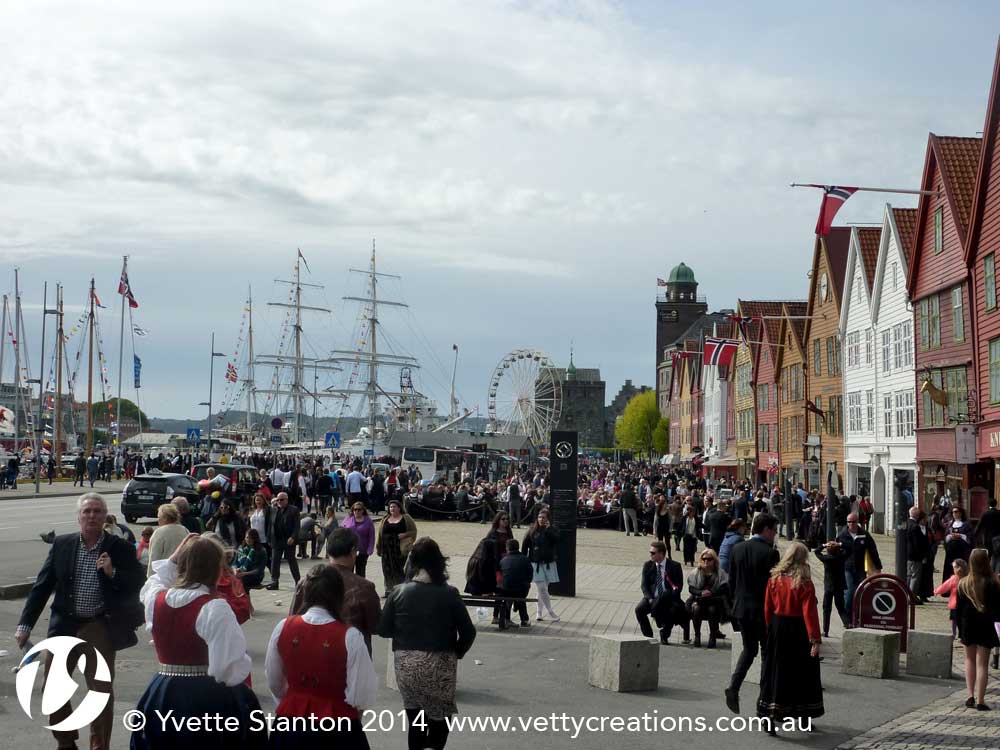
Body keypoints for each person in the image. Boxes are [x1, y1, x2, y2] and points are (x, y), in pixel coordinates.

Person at [16, 492, 145, 750]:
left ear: (104, 516)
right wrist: (25, 625)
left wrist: (113, 572)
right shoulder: (63, 545)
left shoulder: (118, 548)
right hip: (65, 623)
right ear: (78, 517)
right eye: (87, 511)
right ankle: (66, 742)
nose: (92, 516)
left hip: (98, 624)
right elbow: (42, 586)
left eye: (97, 511)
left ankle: (99, 746)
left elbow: (137, 583)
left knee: (100, 691)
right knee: (53, 688)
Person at [133, 534, 265, 750]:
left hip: (162, 691)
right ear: (215, 568)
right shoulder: (215, 607)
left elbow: (154, 581)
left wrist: (173, 559)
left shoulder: (156, 598)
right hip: (204, 696)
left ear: (182, 565)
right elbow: (228, 668)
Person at [378, 537, 477, 750]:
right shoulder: (449, 593)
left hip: (405, 662)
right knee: (441, 717)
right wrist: (457, 652)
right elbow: (468, 632)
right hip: (440, 660)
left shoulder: (398, 591)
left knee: (416, 718)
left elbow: (383, 629)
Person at [266, 563, 377, 749]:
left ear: (307, 593)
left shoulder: (283, 627)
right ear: (338, 595)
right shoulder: (350, 636)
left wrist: (295, 699)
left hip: (291, 723)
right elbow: (360, 695)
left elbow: (274, 681)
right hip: (337, 725)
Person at [756, 541, 824, 731]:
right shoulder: (804, 583)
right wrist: (815, 639)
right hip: (798, 629)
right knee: (803, 674)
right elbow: (809, 613)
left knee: (775, 672)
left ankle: (770, 714)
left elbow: (767, 609)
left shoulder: (774, 579)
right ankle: (804, 716)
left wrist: (770, 629)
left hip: (778, 627)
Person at [289, 528, 382, 654]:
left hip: (310, 653)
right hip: (350, 656)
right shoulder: (364, 587)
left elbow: (293, 618)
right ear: (353, 551)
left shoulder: (305, 581)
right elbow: (376, 626)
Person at [725, 512, 780, 715]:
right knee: (767, 654)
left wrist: (734, 604)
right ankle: (764, 702)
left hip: (741, 609)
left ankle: (734, 687)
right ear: (765, 530)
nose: (775, 534)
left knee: (749, 650)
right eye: (774, 531)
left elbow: (731, 582)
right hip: (763, 611)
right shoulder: (770, 553)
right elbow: (774, 587)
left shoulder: (737, 549)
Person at [955, 548, 1000, 710]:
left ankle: (970, 696)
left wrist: (959, 628)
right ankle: (981, 700)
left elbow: (957, 611)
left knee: (969, 660)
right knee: (983, 664)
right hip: (986, 625)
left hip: (968, 625)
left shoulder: (963, 584)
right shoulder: (993, 582)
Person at [636, 540, 688, 645]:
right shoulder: (648, 565)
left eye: (653, 553)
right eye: (650, 552)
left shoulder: (675, 566)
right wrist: (650, 598)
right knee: (639, 609)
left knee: (672, 610)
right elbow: (644, 585)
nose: (650, 555)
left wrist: (667, 596)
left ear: (661, 553)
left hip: (669, 598)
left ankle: (664, 634)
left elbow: (678, 587)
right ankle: (648, 636)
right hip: (652, 598)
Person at [837, 513, 882, 620]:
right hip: (847, 568)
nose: (851, 524)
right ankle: (847, 617)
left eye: (853, 522)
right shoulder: (842, 535)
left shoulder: (864, 534)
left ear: (857, 522)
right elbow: (836, 551)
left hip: (860, 568)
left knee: (860, 592)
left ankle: (857, 616)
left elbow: (873, 551)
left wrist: (878, 566)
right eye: (849, 522)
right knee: (850, 592)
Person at [522, 506, 560, 622]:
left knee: (542, 590)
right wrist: (524, 561)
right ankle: (550, 611)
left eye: (543, 517)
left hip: (548, 563)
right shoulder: (532, 530)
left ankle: (539, 612)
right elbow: (525, 546)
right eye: (539, 517)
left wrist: (548, 530)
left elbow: (557, 540)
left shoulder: (552, 529)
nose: (541, 519)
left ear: (548, 519)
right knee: (542, 588)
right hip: (535, 563)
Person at [686, 548, 729, 648]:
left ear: (714, 560)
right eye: (704, 559)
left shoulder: (720, 573)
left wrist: (711, 592)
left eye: (709, 559)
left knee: (712, 610)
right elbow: (691, 588)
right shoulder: (696, 572)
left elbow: (724, 588)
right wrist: (701, 593)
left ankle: (713, 636)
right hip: (699, 600)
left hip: (714, 600)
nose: (706, 561)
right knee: (696, 609)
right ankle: (697, 636)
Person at [376, 499, 418, 596]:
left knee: (400, 569)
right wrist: (378, 547)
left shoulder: (406, 518)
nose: (392, 508)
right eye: (391, 507)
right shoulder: (385, 519)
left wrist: (405, 535)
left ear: (399, 508)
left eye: (394, 506)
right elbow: (380, 534)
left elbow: (413, 531)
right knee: (387, 570)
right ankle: (389, 590)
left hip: (400, 549)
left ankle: (402, 590)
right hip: (387, 549)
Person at [814, 539, 850, 636]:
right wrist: (840, 544)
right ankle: (848, 624)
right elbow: (849, 549)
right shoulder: (841, 557)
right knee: (841, 608)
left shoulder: (826, 559)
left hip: (829, 587)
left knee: (827, 608)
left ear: (828, 550)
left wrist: (824, 545)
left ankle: (826, 631)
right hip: (839, 586)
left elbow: (816, 552)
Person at [266, 492, 301, 590]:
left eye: (282, 500)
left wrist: (293, 537)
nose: (279, 502)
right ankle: (274, 581)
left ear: (287, 500)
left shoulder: (293, 510)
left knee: (291, 561)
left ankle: (298, 582)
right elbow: (270, 525)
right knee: (275, 561)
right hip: (276, 539)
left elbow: (297, 526)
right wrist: (269, 538)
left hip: (288, 539)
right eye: (278, 500)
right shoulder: (273, 509)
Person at [497, 539, 533, 630]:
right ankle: (524, 619)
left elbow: (501, 574)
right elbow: (530, 575)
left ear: (507, 548)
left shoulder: (503, 560)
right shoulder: (525, 559)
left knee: (508, 598)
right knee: (521, 597)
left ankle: (507, 618)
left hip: (506, 589)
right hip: (521, 590)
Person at [148, 502, 192, 576]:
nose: (158, 520)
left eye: (159, 517)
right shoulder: (185, 530)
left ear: (165, 518)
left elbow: (154, 558)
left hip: (164, 576)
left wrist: (150, 579)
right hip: (182, 574)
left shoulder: (159, 532)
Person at [934, 558, 969, 639]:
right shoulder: (967, 578)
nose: (953, 569)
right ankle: (960, 634)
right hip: (964, 605)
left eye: (954, 567)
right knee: (960, 620)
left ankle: (954, 634)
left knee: (955, 620)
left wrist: (936, 591)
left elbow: (944, 587)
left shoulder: (954, 579)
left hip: (955, 604)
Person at [342, 501, 376, 577]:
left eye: (359, 509)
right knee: (348, 573)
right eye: (355, 509)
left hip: (362, 552)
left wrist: (369, 550)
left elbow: (372, 537)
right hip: (349, 551)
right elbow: (341, 532)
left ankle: (360, 588)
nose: (357, 511)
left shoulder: (368, 521)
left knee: (360, 573)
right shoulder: (348, 519)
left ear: (363, 510)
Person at [942, 506, 974, 586]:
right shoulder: (950, 524)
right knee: (950, 569)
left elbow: (970, 538)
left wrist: (960, 535)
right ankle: (949, 589)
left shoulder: (966, 524)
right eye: (953, 512)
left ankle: (962, 587)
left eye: (956, 511)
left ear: (961, 513)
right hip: (951, 552)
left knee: (961, 569)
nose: (954, 513)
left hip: (962, 552)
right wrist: (950, 537)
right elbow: (945, 537)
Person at [906, 507, 931, 603]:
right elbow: (917, 543)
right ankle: (911, 596)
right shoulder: (915, 526)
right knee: (915, 576)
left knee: (909, 575)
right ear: (916, 515)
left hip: (908, 554)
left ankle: (907, 594)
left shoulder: (907, 523)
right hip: (915, 555)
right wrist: (922, 555)